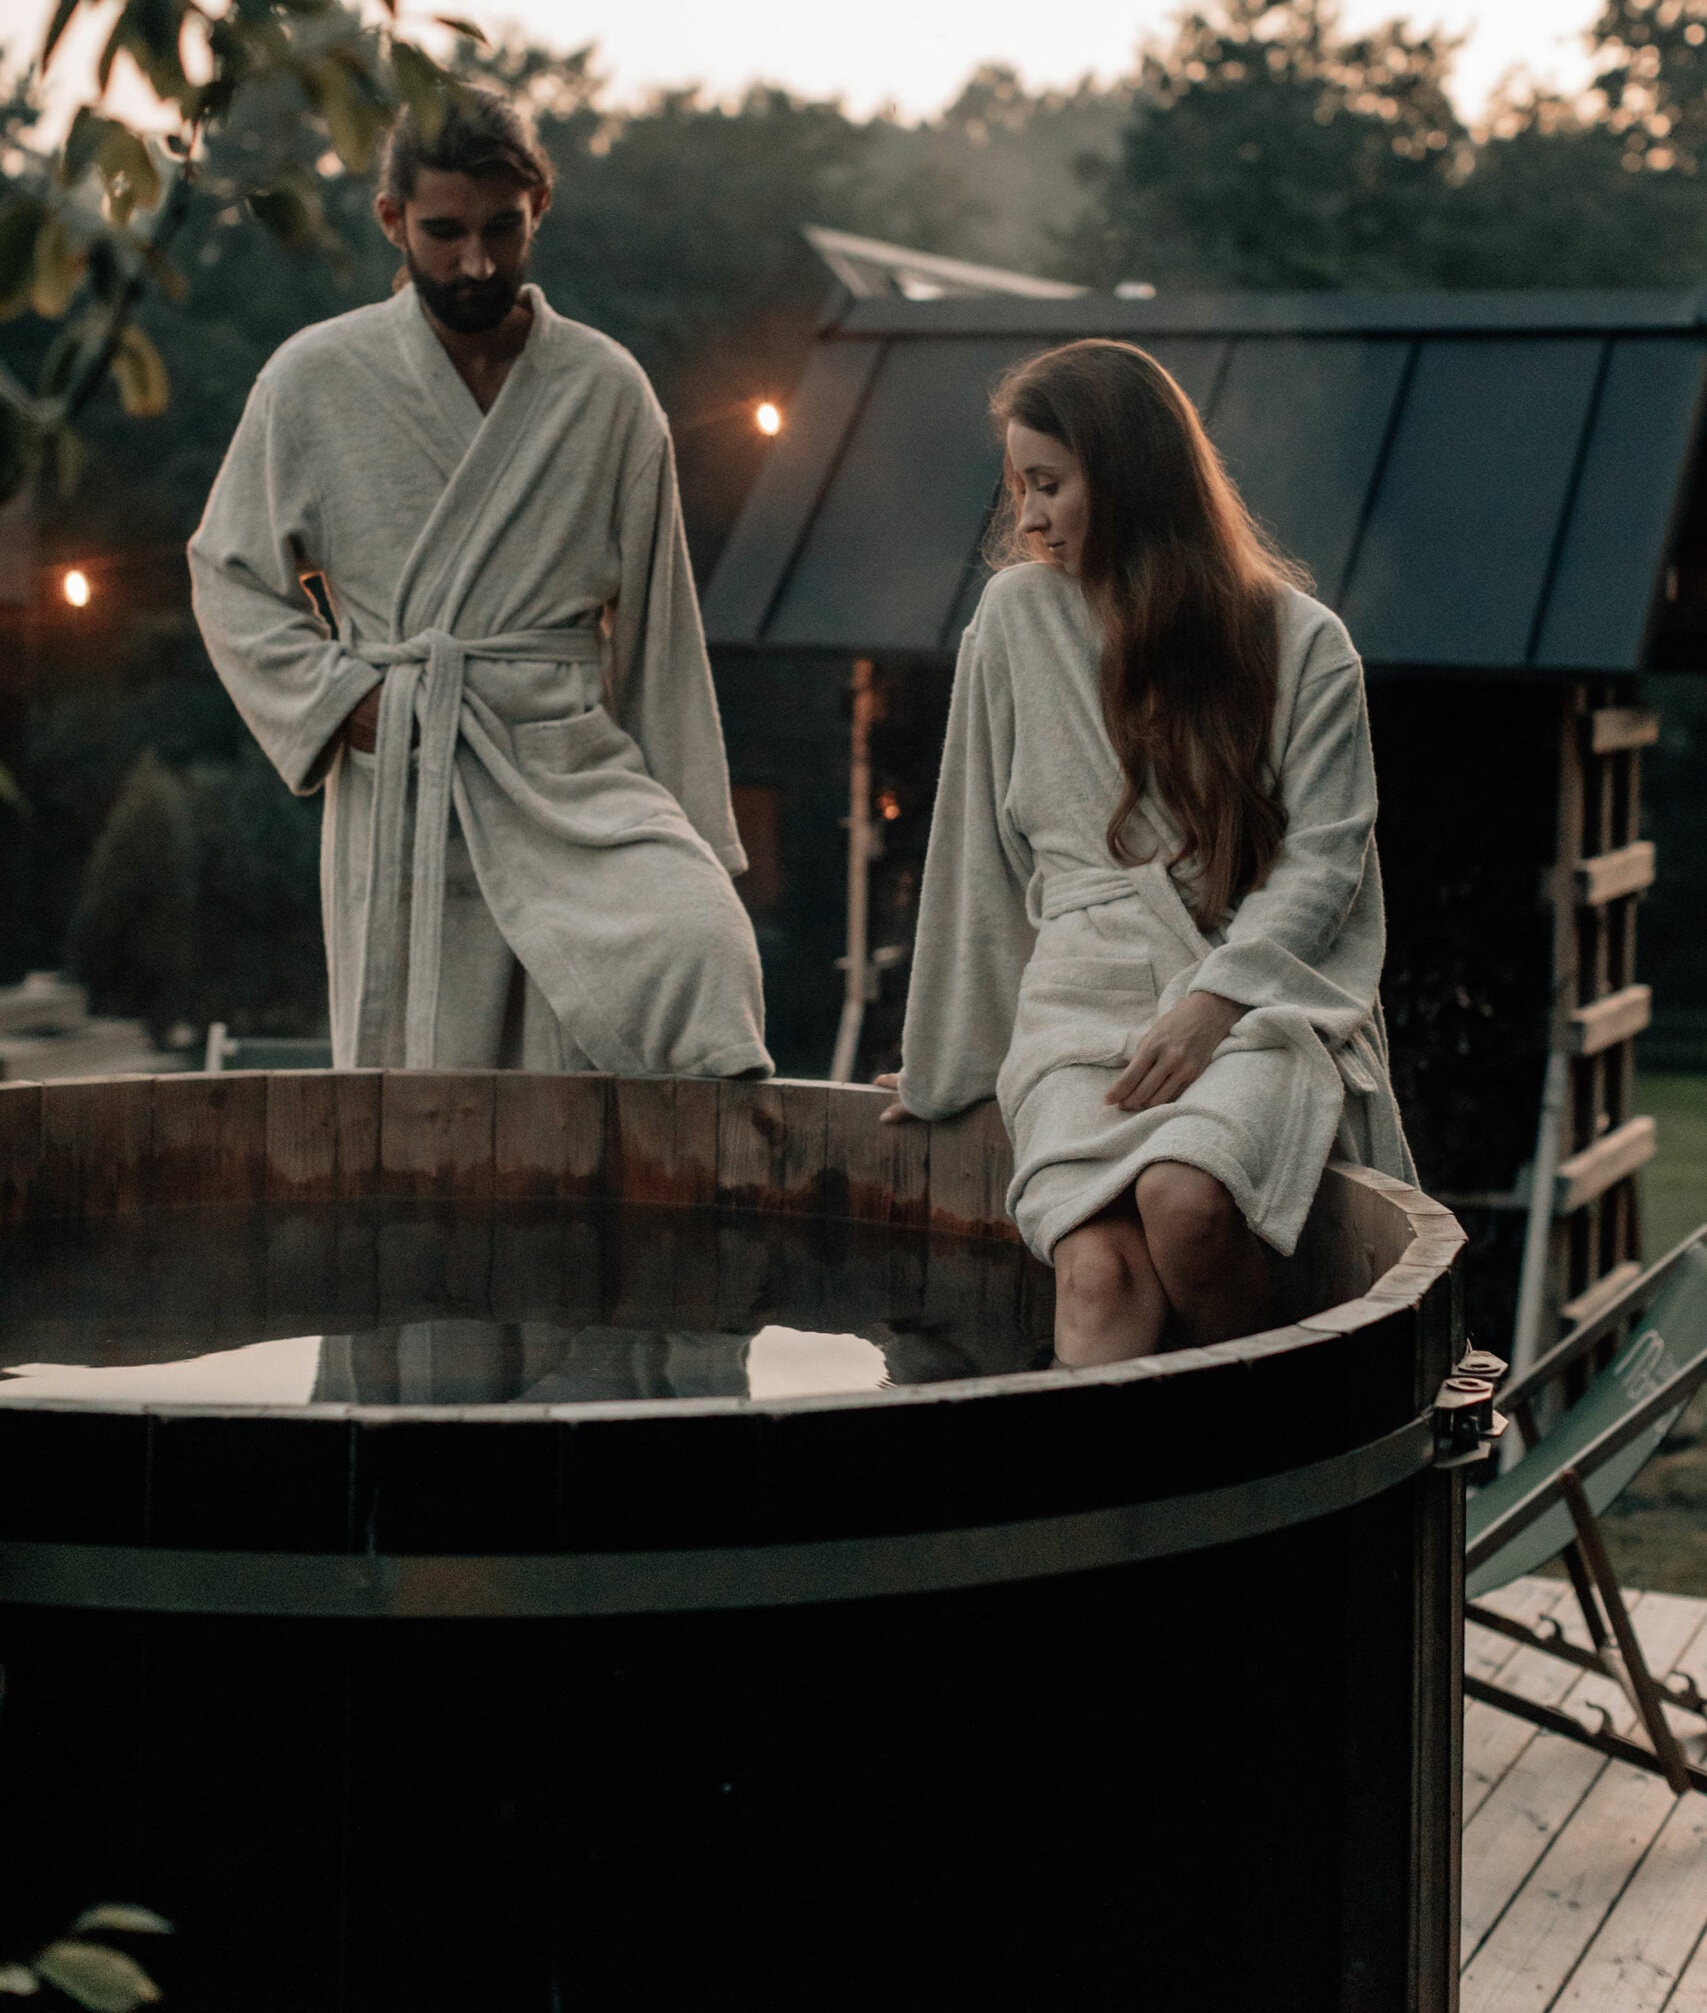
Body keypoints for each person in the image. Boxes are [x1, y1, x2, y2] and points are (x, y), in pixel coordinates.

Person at [189, 86, 770, 1080]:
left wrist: (697, 842)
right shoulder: (314, 379)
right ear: (393, 222)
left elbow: (661, 637)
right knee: (439, 1097)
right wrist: (346, 699)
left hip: (570, 774)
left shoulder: (605, 388)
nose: (477, 262)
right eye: (445, 231)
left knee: (702, 950)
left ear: (538, 203)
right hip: (411, 774)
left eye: (502, 228)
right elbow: (229, 576)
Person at [879, 339, 1414, 1366]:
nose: (1026, 518)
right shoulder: (1013, 618)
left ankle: (1265, 1463)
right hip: (1083, 994)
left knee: (1188, 1205)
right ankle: (1119, 1518)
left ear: (1128, 475)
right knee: (1095, 1272)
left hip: (1250, 997)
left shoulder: (1303, 644)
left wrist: (1216, 1000)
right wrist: (950, 1064)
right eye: (1018, 486)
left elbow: (1327, 860)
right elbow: (974, 857)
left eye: (1049, 484)